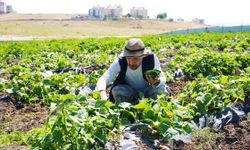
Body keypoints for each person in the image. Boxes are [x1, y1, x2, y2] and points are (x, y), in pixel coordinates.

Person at [96, 38, 170, 104]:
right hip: (129, 93)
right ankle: (126, 111)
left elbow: (163, 79)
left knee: (161, 89)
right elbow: (103, 79)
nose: (131, 62)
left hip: (148, 93)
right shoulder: (121, 61)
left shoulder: (151, 59)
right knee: (117, 90)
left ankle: (154, 109)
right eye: (128, 58)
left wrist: (157, 81)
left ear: (143, 56)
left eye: (136, 58)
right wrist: (103, 95)